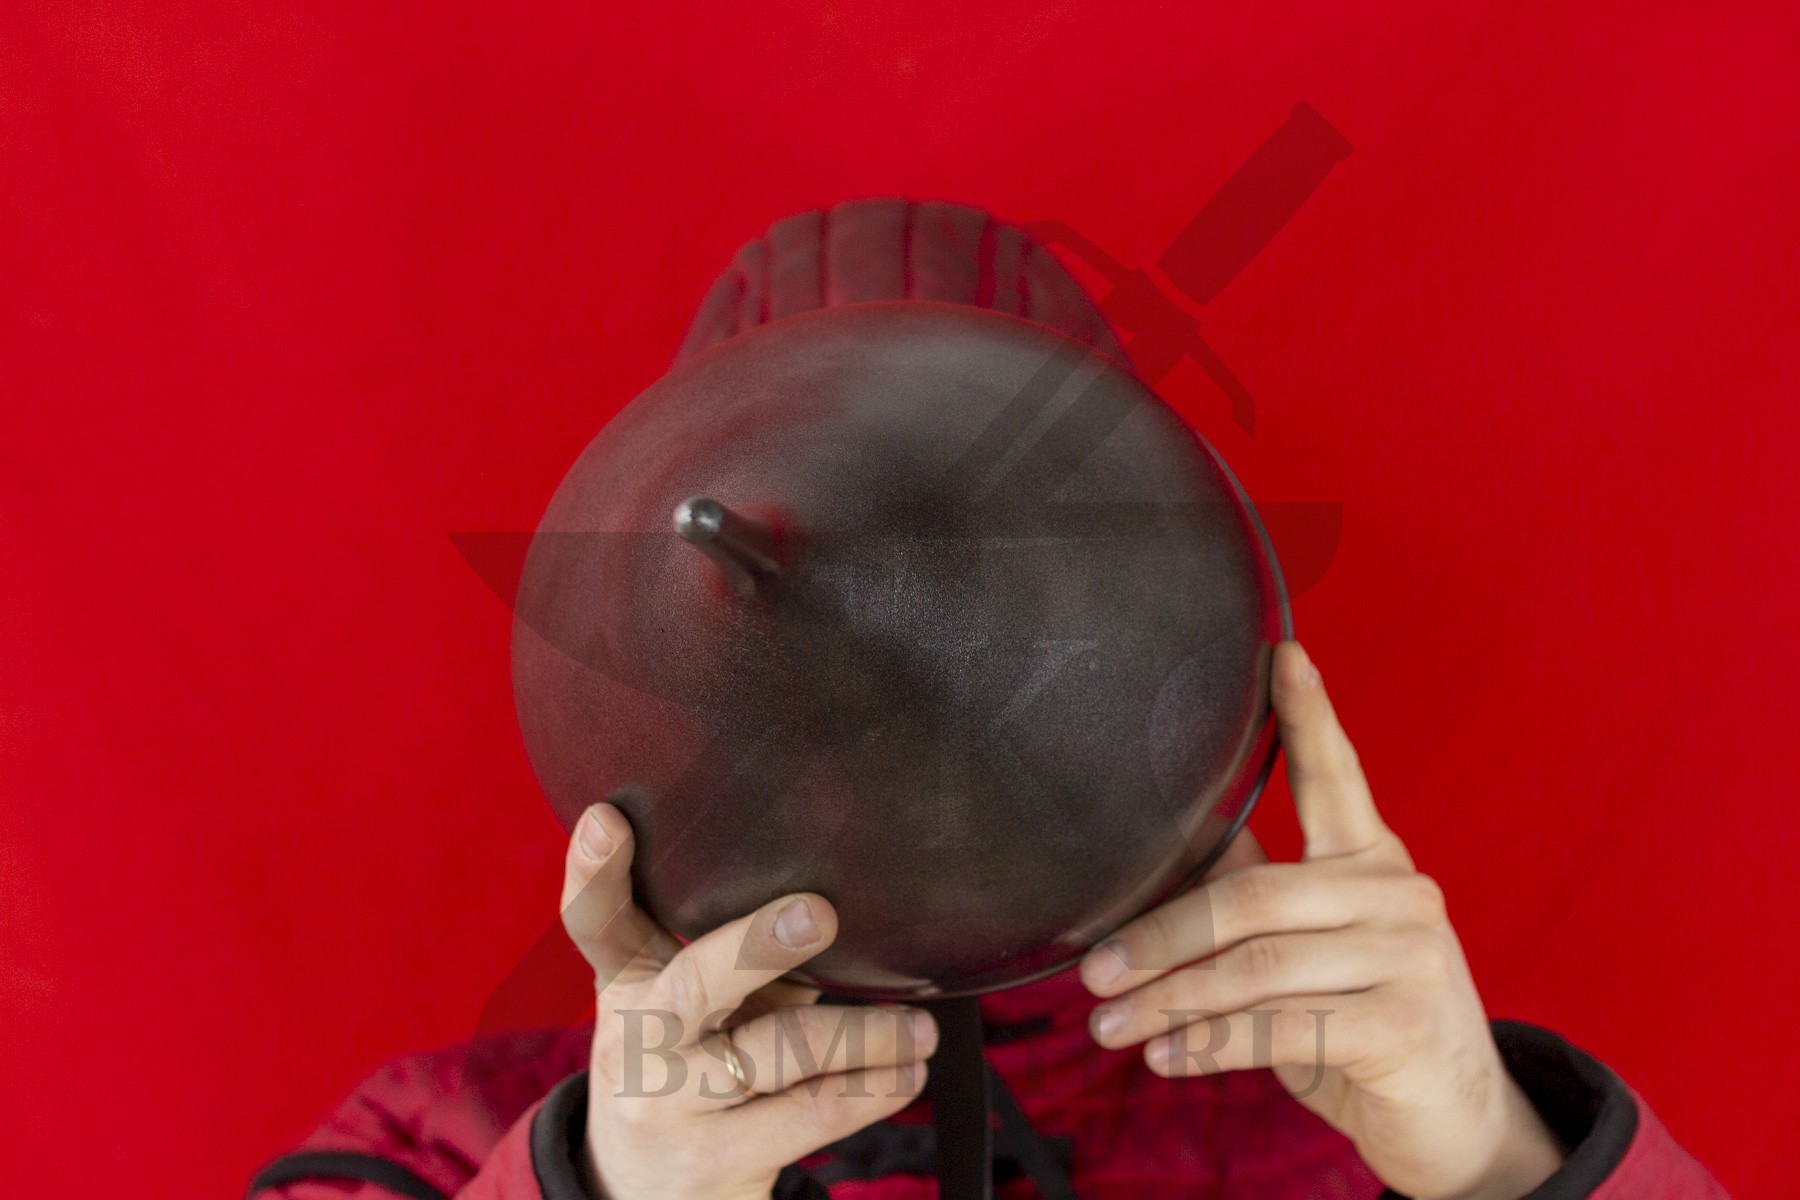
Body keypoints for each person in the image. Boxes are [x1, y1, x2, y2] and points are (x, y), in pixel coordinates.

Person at [248, 201, 1729, 1200]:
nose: (894, 648)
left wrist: (1496, 1160)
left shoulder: (1352, 1127)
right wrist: (605, 1186)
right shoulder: (433, 1146)